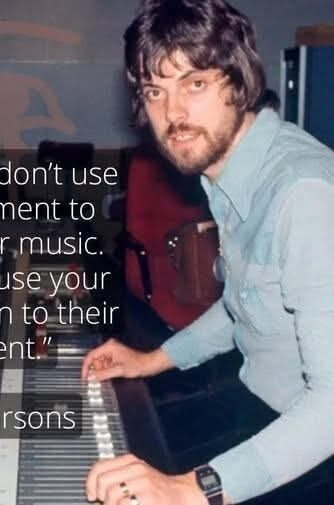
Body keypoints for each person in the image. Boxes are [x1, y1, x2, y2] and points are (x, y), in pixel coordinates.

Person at [81, 0, 334, 504]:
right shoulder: (230, 172)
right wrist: (150, 360)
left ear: (239, 82)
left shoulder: (303, 195)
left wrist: (190, 490)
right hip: (258, 402)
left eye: (194, 84)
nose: (172, 114)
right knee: (112, 457)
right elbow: (243, 305)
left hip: (314, 446)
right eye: (154, 91)